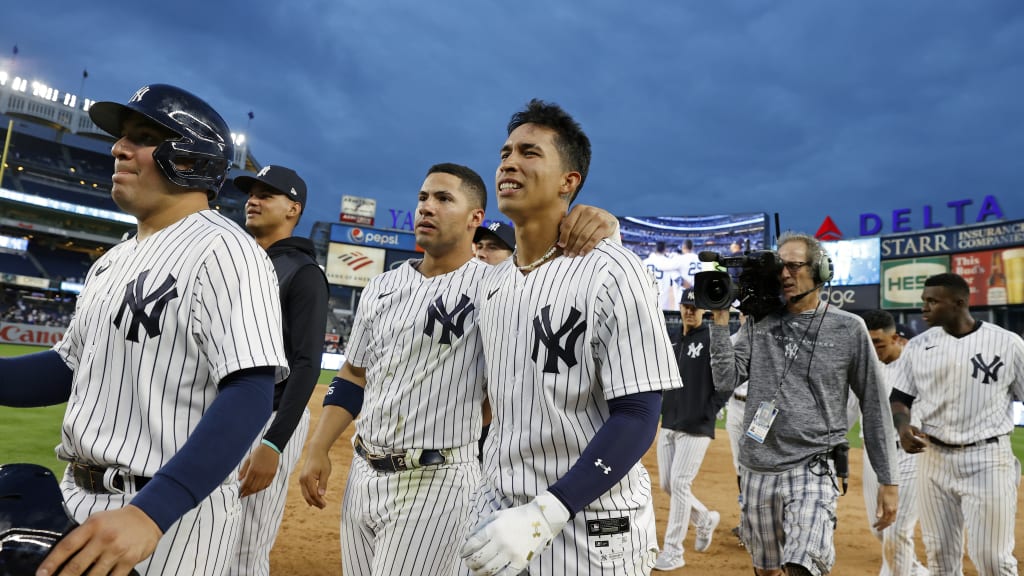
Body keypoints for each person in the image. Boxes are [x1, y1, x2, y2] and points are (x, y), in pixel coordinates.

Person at [0, 84, 289, 576]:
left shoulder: (225, 250)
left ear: (191, 157)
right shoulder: (112, 262)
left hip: (167, 519)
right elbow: (68, 367)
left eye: (143, 136)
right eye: (122, 137)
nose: (118, 148)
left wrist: (151, 512)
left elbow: (250, 390)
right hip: (79, 498)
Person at [298, 162, 617, 576]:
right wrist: (318, 447)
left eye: (444, 198)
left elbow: (550, 266)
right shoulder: (382, 286)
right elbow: (353, 375)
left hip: (437, 481)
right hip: (363, 474)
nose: (427, 207)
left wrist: (604, 222)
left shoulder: (496, 285)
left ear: (475, 218)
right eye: (423, 198)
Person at [459, 99, 681, 576]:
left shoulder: (612, 270)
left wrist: (549, 511)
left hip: (589, 527)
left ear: (569, 182)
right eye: (504, 153)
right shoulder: (491, 282)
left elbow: (640, 414)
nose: (509, 163)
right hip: (499, 515)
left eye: (530, 152)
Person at [708, 231, 897, 576]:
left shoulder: (849, 329)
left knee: (802, 566)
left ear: (821, 270)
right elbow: (724, 380)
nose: (784, 274)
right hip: (758, 467)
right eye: (780, 266)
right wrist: (720, 322)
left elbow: (874, 405)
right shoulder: (760, 322)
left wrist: (888, 480)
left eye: (794, 266)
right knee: (766, 569)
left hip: (814, 464)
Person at [227, 165, 328, 575]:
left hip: (268, 416)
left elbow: (306, 366)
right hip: (223, 414)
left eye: (266, 194)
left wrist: (274, 444)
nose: (253, 199)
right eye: (252, 192)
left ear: (293, 209)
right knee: (207, 531)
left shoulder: (303, 273)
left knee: (247, 546)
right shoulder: (245, 264)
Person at [890, 273, 1023, 575]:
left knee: (992, 558)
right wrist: (903, 426)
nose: (924, 307)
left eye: (932, 301)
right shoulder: (919, 346)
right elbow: (900, 396)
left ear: (960, 303)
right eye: (924, 300)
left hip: (987, 460)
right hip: (934, 459)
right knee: (939, 557)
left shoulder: (1007, 343)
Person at [847, 310, 928, 576]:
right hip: (874, 454)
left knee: (896, 531)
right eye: (866, 343)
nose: (872, 349)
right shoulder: (861, 366)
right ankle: (917, 572)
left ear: (895, 338)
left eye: (878, 343)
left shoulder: (916, 365)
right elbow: (847, 411)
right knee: (879, 526)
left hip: (908, 454)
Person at [653, 288, 725, 571]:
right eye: (686, 306)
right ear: (680, 308)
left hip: (696, 426)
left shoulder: (711, 339)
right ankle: (704, 519)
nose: (689, 311)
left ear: (704, 310)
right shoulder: (673, 341)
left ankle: (673, 551)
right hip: (669, 422)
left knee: (680, 484)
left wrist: (708, 412)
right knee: (667, 484)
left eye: (694, 307)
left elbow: (726, 381)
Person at [643, 240, 687, 311]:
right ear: (665, 249)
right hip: (663, 303)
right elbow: (679, 280)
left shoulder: (644, 262)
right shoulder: (669, 263)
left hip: (646, 300)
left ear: (655, 249)